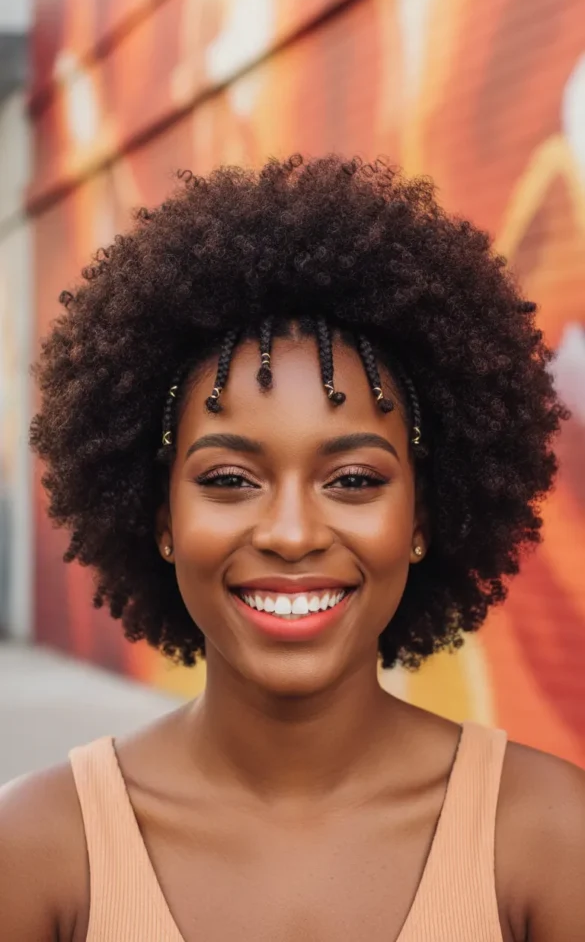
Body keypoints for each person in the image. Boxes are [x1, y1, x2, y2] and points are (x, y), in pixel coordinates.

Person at [0, 155, 584, 941]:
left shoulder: (548, 838)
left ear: (422, 517)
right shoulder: (37, 848)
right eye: (229, 479)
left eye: (352, 480)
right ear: (160, 517)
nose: (291, 534)